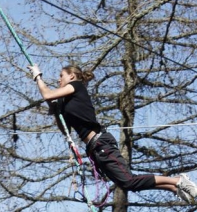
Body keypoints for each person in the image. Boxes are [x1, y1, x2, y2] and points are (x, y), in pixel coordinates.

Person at [28, 63, 197, 204]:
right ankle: (173, 187)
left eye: (61, 76)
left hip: (102, 143)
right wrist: (55, 109)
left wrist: (38, 77)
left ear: (72, 76)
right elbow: (65, 129)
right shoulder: (67, 103)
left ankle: (177, 180)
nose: (58, 79)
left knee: (129, 180)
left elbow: (47, 94)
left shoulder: (76, 86)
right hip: (95, 149)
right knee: (127, 184)